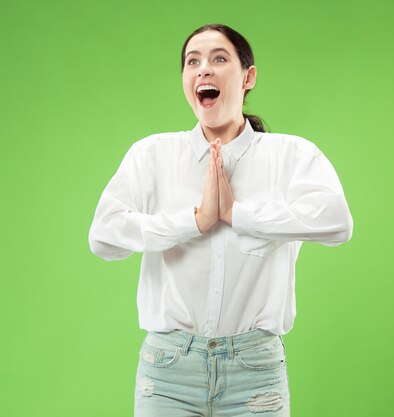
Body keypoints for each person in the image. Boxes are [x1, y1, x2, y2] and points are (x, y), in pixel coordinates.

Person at [88, 23, 353, 417]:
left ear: (248, 77)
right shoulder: (152, 155)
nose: (203, 70)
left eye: (218, 59)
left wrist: (238, 215)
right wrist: (194, 220)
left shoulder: (291, 156)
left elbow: (336, 222)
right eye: (192, 61)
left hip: (255, 372)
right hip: (168, 374)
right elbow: (104, 236)